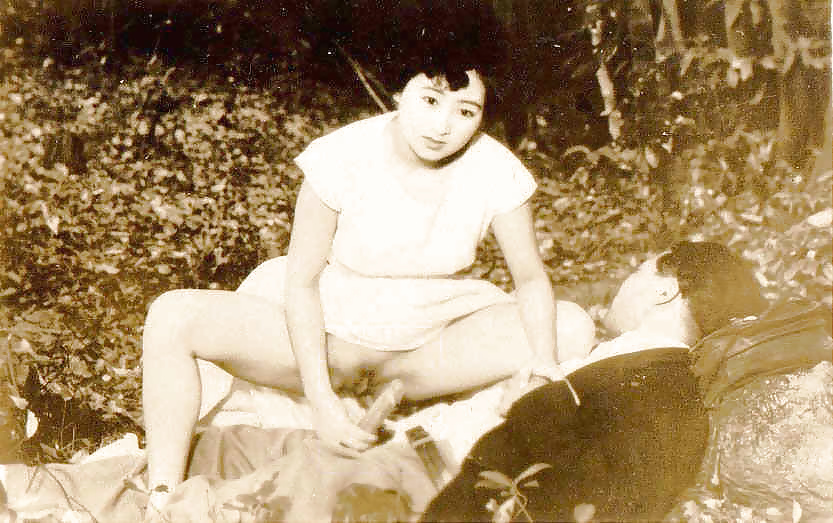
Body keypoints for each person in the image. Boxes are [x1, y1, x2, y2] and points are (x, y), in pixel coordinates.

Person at [140, 1, 593, 511]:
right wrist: (321, 400)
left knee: (571, 327)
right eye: (430, 100)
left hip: (427, 344)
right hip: (334, 332)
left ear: (483, 116)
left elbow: (530, 279)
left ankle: (406, 403)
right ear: (399, 90)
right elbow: (302, 282)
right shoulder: (340, 156)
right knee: (173, 315)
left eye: (466, 111)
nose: (442, 125)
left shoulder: (495, 168)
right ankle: (162, 496)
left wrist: (542, 364)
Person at [421, 240, 771, 522]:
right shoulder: (635, 367)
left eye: (638, 271)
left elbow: (597, 496)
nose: (622, 284)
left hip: (428, 484)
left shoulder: (660, 392)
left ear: (665, 291)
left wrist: (523, 409)